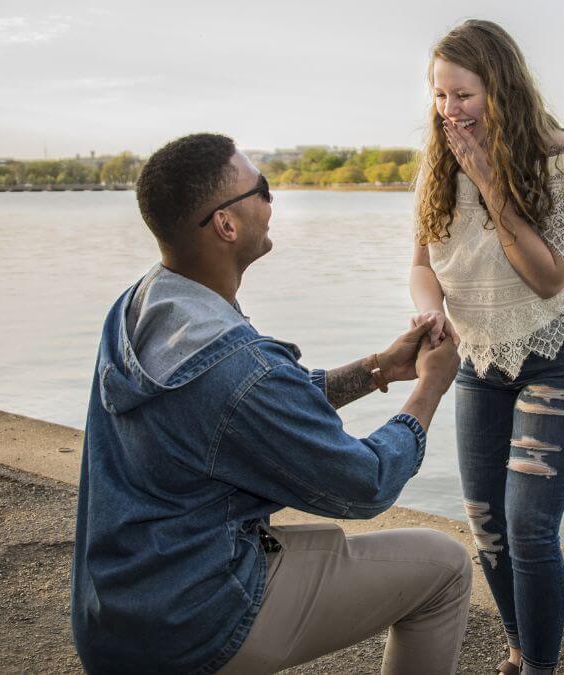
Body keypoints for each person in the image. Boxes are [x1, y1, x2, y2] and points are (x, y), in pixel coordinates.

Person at [71, 133, 471, 675]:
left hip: (117, 614)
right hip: (190, 627)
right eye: (260, 189)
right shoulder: (234, 367)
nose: (272, 199)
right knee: (444, 566)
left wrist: (379, 368)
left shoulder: (140, 307)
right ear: (226, 225)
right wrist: (429, 388)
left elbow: (246, 413)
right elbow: (366, 483)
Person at [408, 20, 564, 675]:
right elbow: (421, 263)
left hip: (559, 360)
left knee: (528, 526)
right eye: (440, 97)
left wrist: (492, 180)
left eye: (462, 95)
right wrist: (429, 312)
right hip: (481, 365)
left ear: (501, 87)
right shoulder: (437, 168)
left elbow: (548, 275)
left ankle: (541, 668)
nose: (449, 111)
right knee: (485, 522)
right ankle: (522, 650)